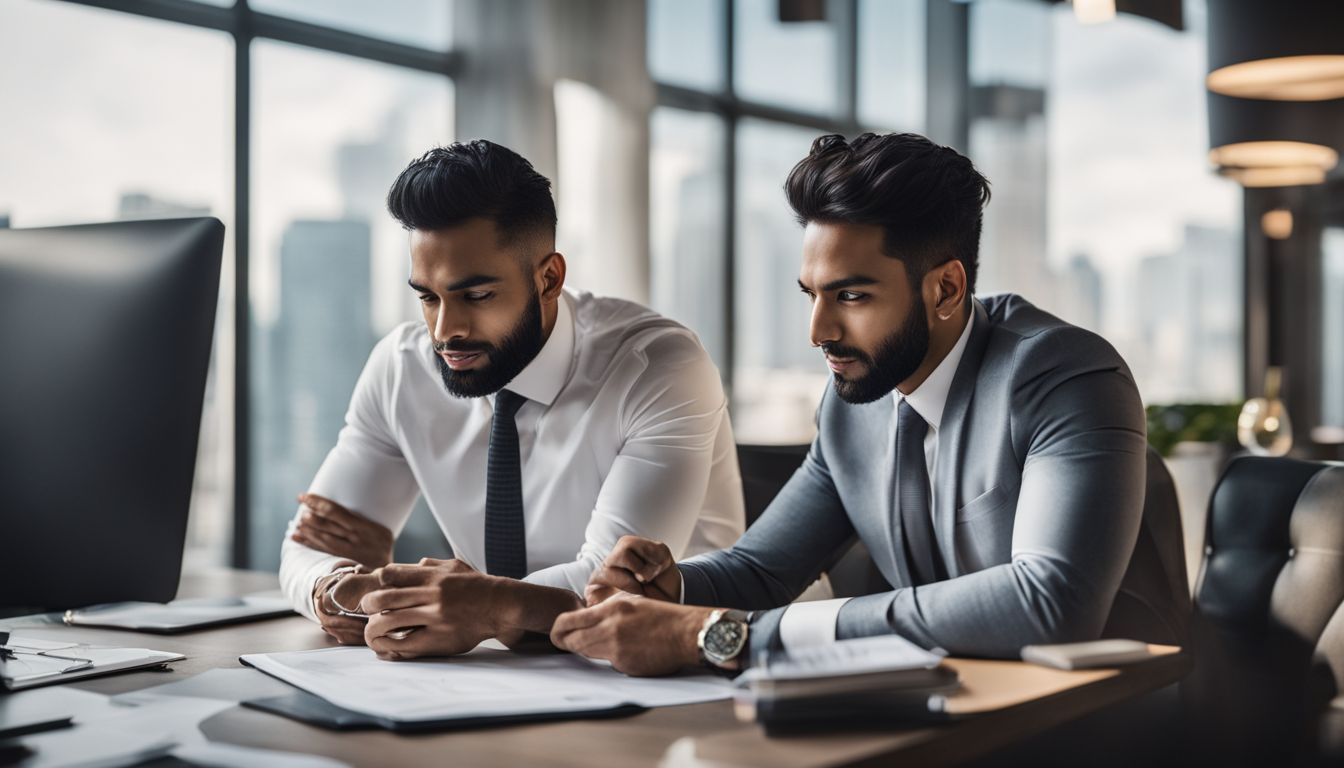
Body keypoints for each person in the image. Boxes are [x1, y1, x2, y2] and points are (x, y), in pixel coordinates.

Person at [550, 132, 1188, 676]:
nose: (819, 331)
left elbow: (1050, 604)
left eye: (852, 297)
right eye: (812, 295)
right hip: (945, 711)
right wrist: (674, 587)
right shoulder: (854, 402)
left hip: (1102, 724)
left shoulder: (1066, 375)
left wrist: (726, 635)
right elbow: (764, 567)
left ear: (945, 288)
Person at [279, 140, 745, 659]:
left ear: (548, 278)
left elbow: (611, 587)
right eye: (428, 298)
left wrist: (474, 604)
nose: (445, 331)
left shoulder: (657, 365)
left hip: (695, 667)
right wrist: (334, 589)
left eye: (476, 296)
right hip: (492, 675)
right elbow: (311, 550)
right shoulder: (401, 367)